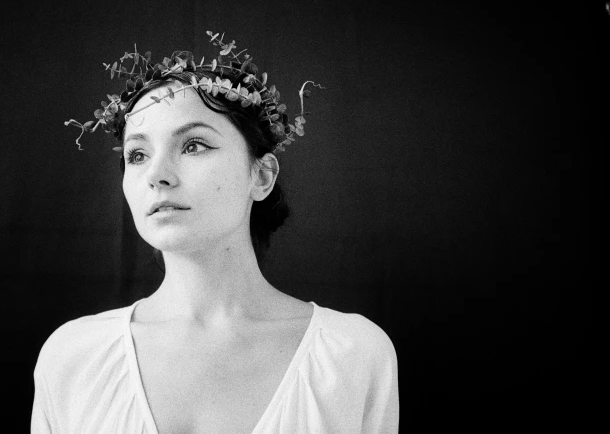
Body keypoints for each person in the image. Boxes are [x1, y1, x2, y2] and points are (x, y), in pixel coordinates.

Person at [33, 32, 399, 433]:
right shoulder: (73, 358)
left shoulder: (352, 355)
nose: (156, 175)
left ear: (261, 176)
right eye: (138, 155)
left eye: (193, 145)